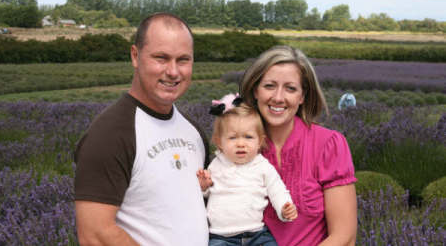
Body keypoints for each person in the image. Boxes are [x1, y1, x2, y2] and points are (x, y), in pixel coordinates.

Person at [74, 12, 210, 246]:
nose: (173, 71)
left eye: (183, 60)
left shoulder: (193, 131)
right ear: (135, 56)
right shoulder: (110, 135)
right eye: (161, 58)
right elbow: (95, 235)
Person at [239, 45, 357, 246]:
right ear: (255, 90)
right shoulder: (238, 145)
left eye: (290, 88)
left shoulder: (328, 145)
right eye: (269, 86)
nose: (278, 97)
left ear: (302, 96)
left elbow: (344, 236)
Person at [197, 94, 298, 246]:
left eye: (248, 137)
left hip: (257, 234)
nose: (241, 144)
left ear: (260, 142)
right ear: (219, 142)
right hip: (221, 236)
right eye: (232, 138)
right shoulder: (216, 165)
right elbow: (207, 194)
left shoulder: (262, 166)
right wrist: (204, 186)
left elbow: (277, 189)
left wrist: (284, 208)